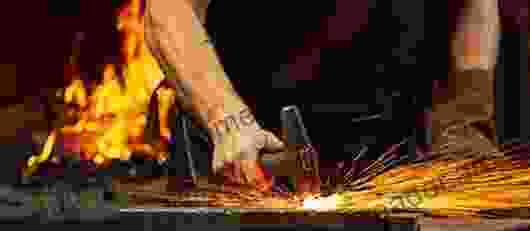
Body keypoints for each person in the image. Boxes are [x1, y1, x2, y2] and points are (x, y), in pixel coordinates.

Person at [143, 0, 502, 186]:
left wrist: (465, 119)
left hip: (386, 157)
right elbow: (167, 11)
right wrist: (228, 121)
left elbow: (475, 7)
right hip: (249, 152)